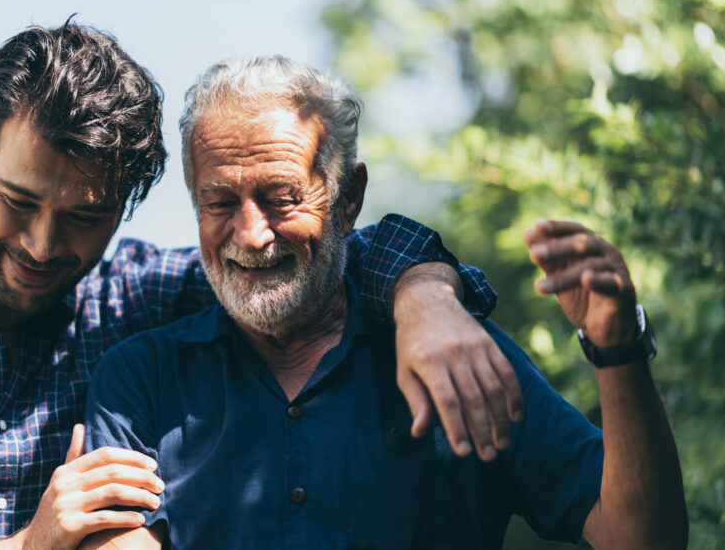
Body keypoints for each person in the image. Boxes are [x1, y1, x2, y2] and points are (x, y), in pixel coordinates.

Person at [0, 21, 522, 548]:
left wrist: (426, 294)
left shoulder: (144, 298)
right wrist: (26, 545)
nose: (44, 246)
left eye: (85, 217)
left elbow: (315, 252)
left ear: (126, 208)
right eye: (19, 203)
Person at [82, 56, 688, 549]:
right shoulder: (141, 379)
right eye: (219, 203)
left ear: (349, 198)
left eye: (281, 197)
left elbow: (642, 537)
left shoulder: (456, 349)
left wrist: (619, 346)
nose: (251, 234)